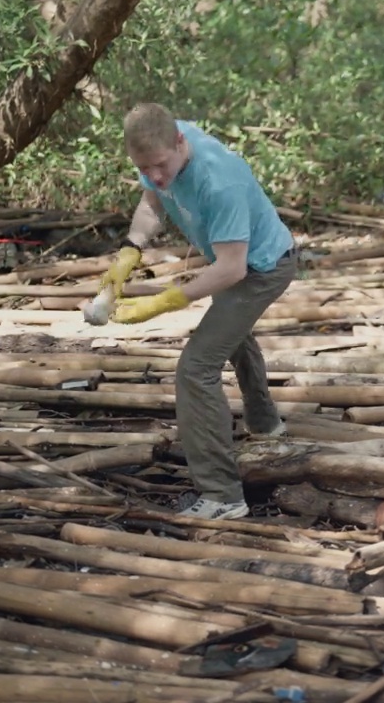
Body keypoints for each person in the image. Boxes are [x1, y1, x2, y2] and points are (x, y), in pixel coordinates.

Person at [99, 102, 298, 521]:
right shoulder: (157, 143)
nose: (154, 174)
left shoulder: (217, 179)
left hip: (264, 266)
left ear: (180, 143)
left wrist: (163, 301)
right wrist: (131, 250)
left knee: (196, 368)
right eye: (143, 167)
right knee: (232, 333)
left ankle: (223, 496)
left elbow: (232, 268)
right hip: (235, 261)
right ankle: (267, 429)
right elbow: (153, 201)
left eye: (159, 165)